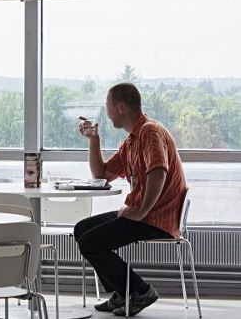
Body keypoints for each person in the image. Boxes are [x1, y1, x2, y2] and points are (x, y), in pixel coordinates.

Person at [74, 82, 187, 317]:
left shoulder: (149, 132)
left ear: (121, 107)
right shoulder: (132, 140)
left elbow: (159, 172)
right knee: (82, 229)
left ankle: (140, 291)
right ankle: (123, 291)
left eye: (108, 107)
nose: (107, 113)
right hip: (143, 213)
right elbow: (102, 174)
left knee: (90, 242)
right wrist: (94, 139)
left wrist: (141, 211)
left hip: (155, 218)